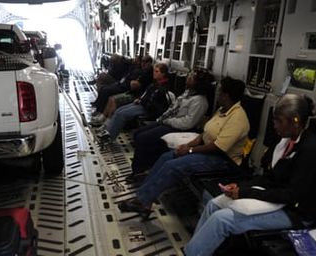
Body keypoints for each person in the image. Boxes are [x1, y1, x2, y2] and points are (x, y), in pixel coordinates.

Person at [184, 94, 316, 256]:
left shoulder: (309, 150)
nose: (274, 125)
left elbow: (292, 195)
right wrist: (240, 187)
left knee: (222, 220)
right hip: (274, 199)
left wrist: (246, 193)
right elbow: (268, 178)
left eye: (278, 120)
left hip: (294, 212)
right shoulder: (283, 141)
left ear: (295, 121)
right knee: (213, 205)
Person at [118, 77, 250, 218]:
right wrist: (187, 145)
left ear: (226, 95)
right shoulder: (222, 110)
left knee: (173, 166)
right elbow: (205, 134)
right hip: (207, 151)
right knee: (166, 157)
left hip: (222, 160)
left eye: (220, 91)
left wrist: (190, 150)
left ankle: (143, 201)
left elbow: (218, 147)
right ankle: (144, 200)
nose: (217, 94)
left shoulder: (237, 118)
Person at [128, 70, 215, 181]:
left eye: (192, 77)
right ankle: (147, 164)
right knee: (137, 133)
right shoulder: (187, 94)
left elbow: (188, 123)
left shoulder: (200, 101)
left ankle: (139, 171)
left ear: (197, 82)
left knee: (143, 138)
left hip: (179, 128)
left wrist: (168, 121)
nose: (188, 78)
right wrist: (162, 119)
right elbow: (173, 109)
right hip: (168, 122)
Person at [98, 62, 172, 142]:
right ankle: (107, 131)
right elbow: (146, 94)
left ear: (163, 74)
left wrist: (142, 101)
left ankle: (110, 137)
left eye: (157, 71)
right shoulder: (155, 84)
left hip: (148, 109)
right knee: (119, 110)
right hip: (142, 104)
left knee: (122, 114)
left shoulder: (163, 88)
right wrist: (140, 99)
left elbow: (154, 102)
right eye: (154, 71)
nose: (154, 73)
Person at [90, 55, 153, 126]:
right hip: (123, 84)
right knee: (106, 92)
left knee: (111, 97)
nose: (143, 63)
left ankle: (107, 122)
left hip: (130, 91)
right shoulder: (137, 68)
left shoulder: (148, 73)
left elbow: (138, 85)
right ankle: (102, 117)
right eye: (142, 61)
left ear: (149, 63)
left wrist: (132, 84)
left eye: (145, 62)